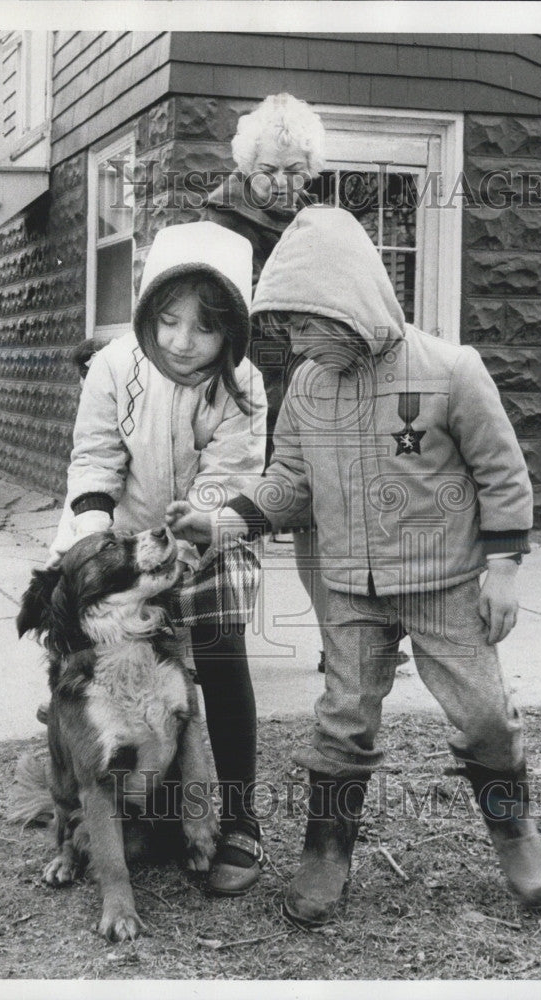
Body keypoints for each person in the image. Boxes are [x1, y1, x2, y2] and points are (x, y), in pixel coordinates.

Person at [166, 206, 541, 924]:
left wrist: (503, 568)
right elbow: (288, 483)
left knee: (483, 718)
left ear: (348, 303)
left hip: (442, 583)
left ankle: (517, 838)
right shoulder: (309, 390)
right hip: (350, 591)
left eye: (306, 322)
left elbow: (504, 475)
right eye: (283, 324)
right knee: (341, 723)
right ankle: (326, 853)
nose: (294, 339)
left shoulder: (450, 371)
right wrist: (221, 523)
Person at [47, 221, 268, 896]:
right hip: (113, 528)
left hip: (202, 533)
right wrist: (96, 540)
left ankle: (237, 816)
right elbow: (94, 457)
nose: (182, 341)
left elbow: (232, 469)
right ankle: (92, 792)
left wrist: (195, 520)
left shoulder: (245, 385)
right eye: (168, 322)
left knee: (218, 655)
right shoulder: (116, 366)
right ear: (147, 315)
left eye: (203, 329)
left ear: (231, 330)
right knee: (86, 663)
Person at [204, 92, 334, 671]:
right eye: (267, 172)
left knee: (313, 511)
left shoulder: (316, 221)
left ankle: (340, 642)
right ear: (244, 168)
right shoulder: (220, 220)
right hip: (248, 384)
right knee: (230, 507)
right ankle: (213, 642)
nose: (281, 183)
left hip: (307, 381)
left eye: (295, 171)